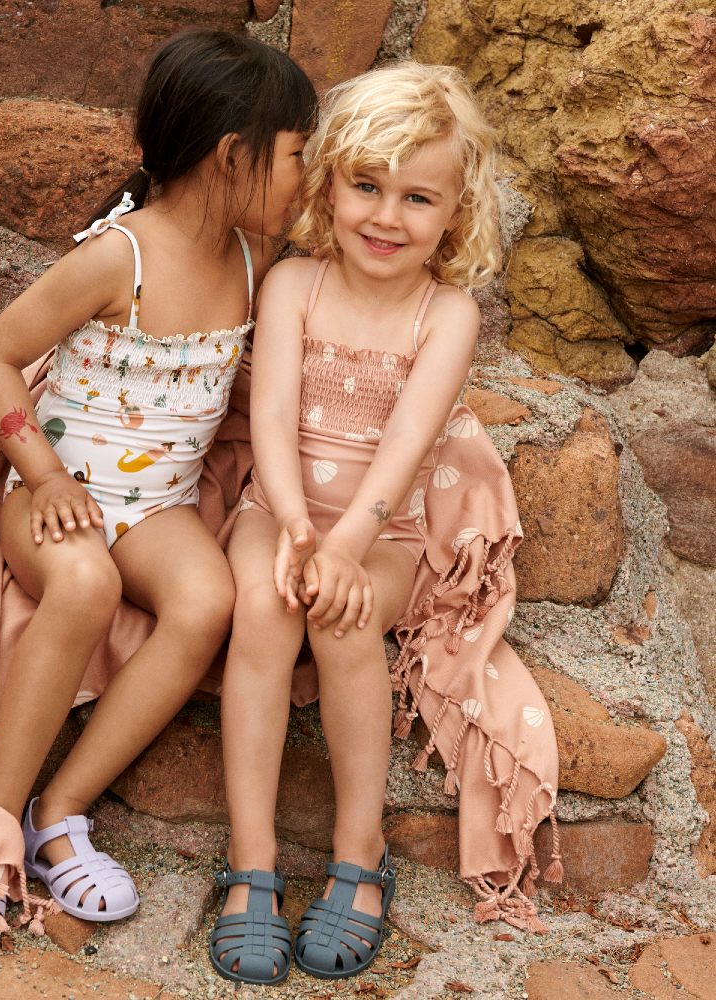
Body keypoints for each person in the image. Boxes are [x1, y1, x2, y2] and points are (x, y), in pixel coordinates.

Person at [0, 31, 318, 955]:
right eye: (297, 153)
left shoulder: (255, 260)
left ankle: (61, 813)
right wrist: (42, 474)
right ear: (232, 155)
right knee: (85, 584)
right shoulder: (119, 258)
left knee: (208, 597)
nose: (306, 175)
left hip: (160, 506)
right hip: (59, 496)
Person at [209, 62, 559, 985]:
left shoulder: (446, 315)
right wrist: (293, 529)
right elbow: (272, 422)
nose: (385, 216)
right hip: (276, 511)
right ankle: (251, 866)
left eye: (416, 197)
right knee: (263, 607)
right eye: (366, 185)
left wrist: (345, 550)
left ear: (455, 211)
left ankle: (358, 860)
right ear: (329, 182)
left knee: (346, 615)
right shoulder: (293, 286)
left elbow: (406, 447)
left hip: (386, 531)